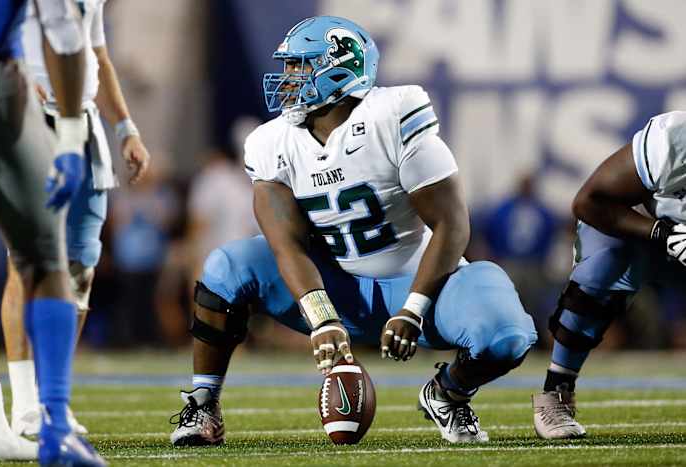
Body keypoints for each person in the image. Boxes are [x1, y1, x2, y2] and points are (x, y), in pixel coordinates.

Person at [169, 16, 537, 446]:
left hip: (422, 287)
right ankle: (203, 402)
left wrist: (414, 308)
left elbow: (453, 225)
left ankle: (447, 393)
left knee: (507, 335)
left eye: (299, 66)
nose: (287, 78)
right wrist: (322, 318)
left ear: (340, 69)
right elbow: (285, 243)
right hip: (335, 286)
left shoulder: (394, 115)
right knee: (227, 266)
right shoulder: (272, 142)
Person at [1, 0, 151, 437]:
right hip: (27, 121)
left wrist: (126, 128)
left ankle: (54, 399)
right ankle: (26, 404)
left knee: (80, 272)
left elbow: (97, 57)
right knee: (27, 264)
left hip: (83, 127)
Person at [0, 0, 105, 464]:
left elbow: (68, 30)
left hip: (2, 77)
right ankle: (47, 424)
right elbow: (63, 28)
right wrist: (74, 135)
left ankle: (24, 419)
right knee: (45, 254)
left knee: (45, 252)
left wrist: (74, 132)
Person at [532, 111, 686, 439]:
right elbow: (590, 202)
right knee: (607, 261)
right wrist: (661, 233)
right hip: (647, 240)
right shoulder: (674, 139)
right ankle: (556, 391)